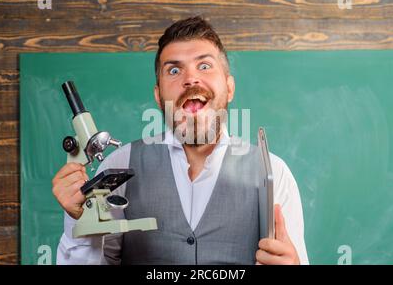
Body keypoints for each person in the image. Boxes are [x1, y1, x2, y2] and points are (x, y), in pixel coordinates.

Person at [53, 16, 309, 265]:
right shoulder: (119, 164)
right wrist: (78, 219)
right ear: (158, 95)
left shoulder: (273, 172)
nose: (190, 79)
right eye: (174, 70)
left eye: (205, 66)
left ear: (229, 88)